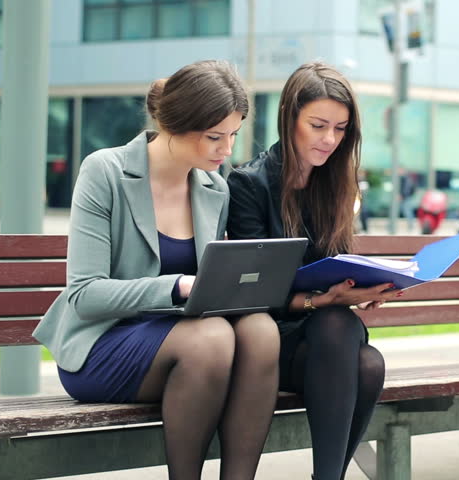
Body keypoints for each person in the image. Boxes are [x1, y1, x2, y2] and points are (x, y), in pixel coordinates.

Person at [33, 60, 280, 480]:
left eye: (234, 135)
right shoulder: (105, 171)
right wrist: (179, 285)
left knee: (260, 330)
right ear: (174, 125)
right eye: (214, 136)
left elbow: (206, 290)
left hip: (183, 339)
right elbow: (85, 294)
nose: (227, 150)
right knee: (212, 339)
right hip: (102, 344)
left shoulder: (215, 188)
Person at [226, 61, 400, 480]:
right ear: (290, 118)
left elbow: (337, 266)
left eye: (340, 129)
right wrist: (323, 301)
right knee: (362, 358)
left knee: (354, 346)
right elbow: (254, 293)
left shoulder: (336, 183)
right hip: (269, 340)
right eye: (318, 126)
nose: (330, 140)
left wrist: (362, 289)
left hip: (326, 338)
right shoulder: (249, 185)